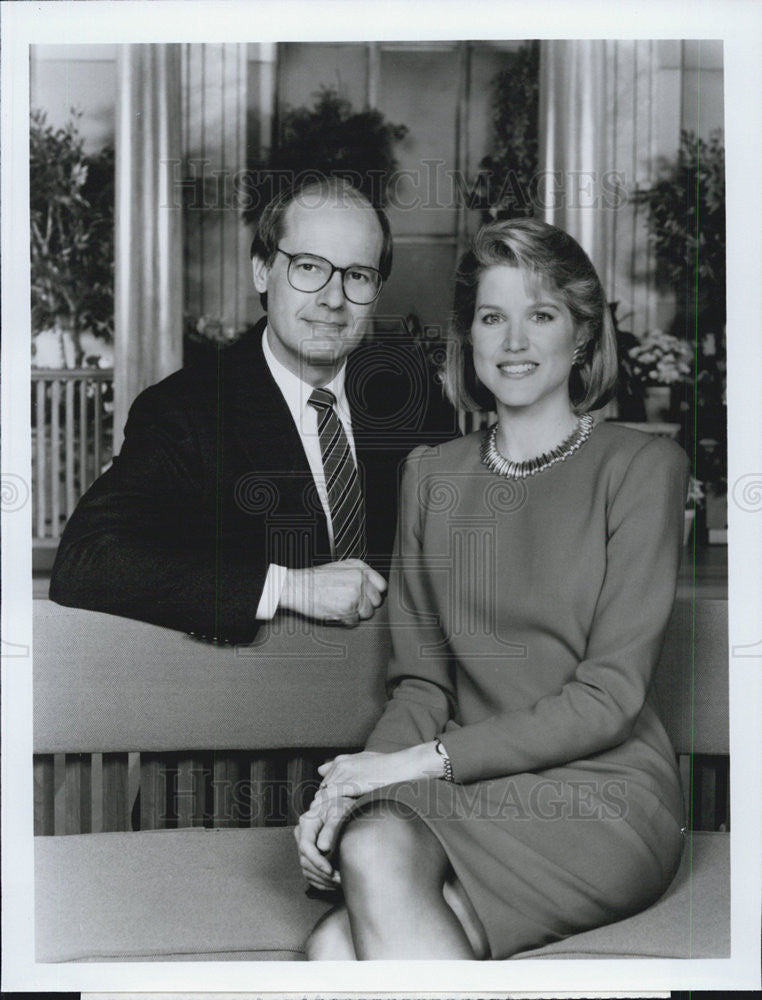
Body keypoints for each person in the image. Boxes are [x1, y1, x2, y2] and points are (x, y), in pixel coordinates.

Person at [295, 217, 689, 960]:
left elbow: (607, 698)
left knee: (370, 860)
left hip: (603, 794)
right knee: (333, 950)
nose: (514, 342)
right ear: (467, 340)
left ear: (580, 337)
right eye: (492, 317)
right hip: (468, 790)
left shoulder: (641, 469)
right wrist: (344, 792)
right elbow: (421, 686)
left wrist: (408, 771)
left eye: (541, 316)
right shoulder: (431, 475)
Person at [49, 177, 457, 644]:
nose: (333, 298)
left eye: (358, 275)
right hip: (252, 690)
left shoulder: (409, 395)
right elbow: (84, 561)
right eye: (308, 267)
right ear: (262, 271)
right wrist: (286, 586)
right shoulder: (186, 411)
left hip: (399, 683)